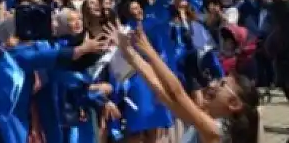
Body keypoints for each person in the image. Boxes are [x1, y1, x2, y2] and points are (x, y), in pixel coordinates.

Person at [104, 23, 260, 143]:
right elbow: (160, 89)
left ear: (233, 103)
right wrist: (129, 53)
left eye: (221, 85)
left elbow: (177, 94)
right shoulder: (201, 120)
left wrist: (150, 51)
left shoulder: (217, 132)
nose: (212, 84)